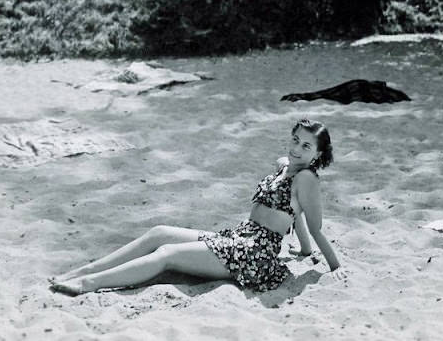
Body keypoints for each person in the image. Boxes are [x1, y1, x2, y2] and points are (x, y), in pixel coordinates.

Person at [49, 119, 344, 295]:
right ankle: (85, 269)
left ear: (318, 154)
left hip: (254, 255)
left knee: (167, 254)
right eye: (295, 140)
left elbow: (315, 226)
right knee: (159, 232)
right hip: (239, 237)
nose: (296, 149)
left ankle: (90, 283)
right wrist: (304, 251)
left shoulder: (307, 178)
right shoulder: (284, 166)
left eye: (306, 146)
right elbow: (297, 213)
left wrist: (335, 268)